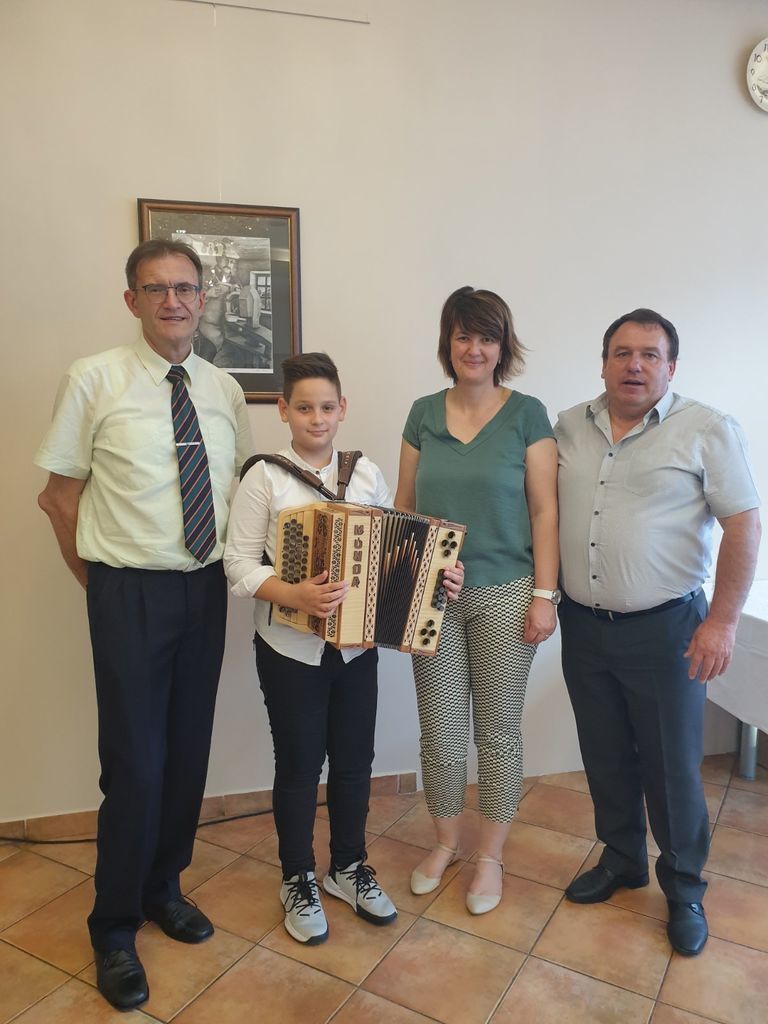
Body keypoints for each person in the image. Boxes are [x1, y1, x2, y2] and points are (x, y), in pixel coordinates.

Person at [34, 239, 253, 1010]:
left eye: (184, 288)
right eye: (155, 289)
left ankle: (164, 888)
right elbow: (58, 499)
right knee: (135, 764)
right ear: (131, 300)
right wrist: (101, 584)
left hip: (205, 588)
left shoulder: (224, 390)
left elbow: (240, 494)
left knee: (188, 753)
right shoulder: (93, 379)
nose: (172, 301)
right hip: (127, 590)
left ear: (202, 299)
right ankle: (114, 926)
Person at [225, 353, 455, 944]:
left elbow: (394, 552)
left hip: (356, 650)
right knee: (300, 766)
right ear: (283, 410)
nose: (317, 418)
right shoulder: (264, 478)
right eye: (304, 407)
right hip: (288, 648)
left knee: (355, 762)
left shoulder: (365, 473)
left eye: (327, 407)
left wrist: (437, 578)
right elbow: (238, 565)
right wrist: (294, 594)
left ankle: (348, 868)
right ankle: (297, 876)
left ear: (342, 409)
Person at [555, 308, 761, 956]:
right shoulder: (568, 426)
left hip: (667, 630)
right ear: (603, 363)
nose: (635, 365)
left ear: (671, 366)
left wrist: (722, 622)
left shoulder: (707, 429)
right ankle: (622, 860)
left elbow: (744, 526)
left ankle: (684, 887)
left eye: (650, 354)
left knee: (671, 768)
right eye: (622, 353)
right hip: (583, 626)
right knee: (606, 755)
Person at [395, 286, 559, 915]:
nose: (474, 348)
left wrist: (544, 596)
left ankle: (490, 855)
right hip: (432, 597)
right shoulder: (422, 414)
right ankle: (445, 843)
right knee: (439, 730)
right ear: (448, 342)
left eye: (486, 337)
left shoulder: (527, 415)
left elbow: (544, 513)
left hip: (507, 594)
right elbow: (405, 510)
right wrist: (407, 590)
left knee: (496, 731)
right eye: (463, 335)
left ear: (502, 346)